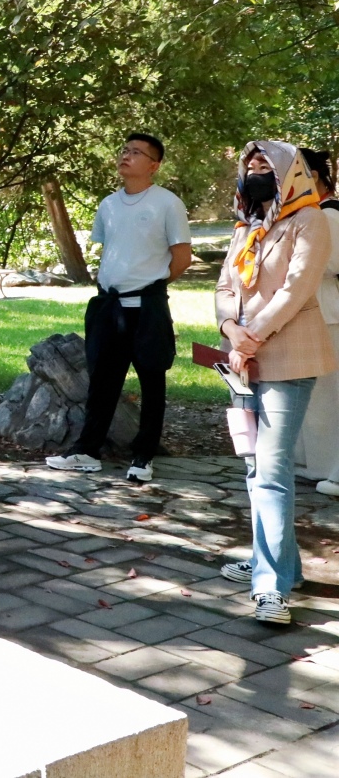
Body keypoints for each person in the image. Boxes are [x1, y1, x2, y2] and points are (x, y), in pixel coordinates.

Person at [215, 141, 334, 624]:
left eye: (266, 164)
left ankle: (271, 588)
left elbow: (298, 287)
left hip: (288, 356)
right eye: (251, 165)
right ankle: (283, 566)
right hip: (243, 360)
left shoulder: (310, 219)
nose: (256, 170)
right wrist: (229, 330)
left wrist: (250, 337)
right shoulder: (246, 227)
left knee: (271, 468)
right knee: (255, 467)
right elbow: (225, 286)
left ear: (291, 174)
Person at [46, 133, 192, 481]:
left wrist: (150, 286)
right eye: (124, 150)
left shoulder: (167, 203)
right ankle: (87, 451)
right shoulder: (108, 205)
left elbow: (182, 258)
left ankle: (143, 457)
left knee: (152, 382)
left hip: (146, 308)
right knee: (103, 381)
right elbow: (112, 251)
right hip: (108, 307)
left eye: (136, 152)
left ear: (153, 165)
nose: (126, 156)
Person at [294, 150, 339, 496]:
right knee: (312, 395)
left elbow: (328, 265)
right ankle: (312, 463)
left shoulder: (330, 216)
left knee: (328, 394)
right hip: (310, 312)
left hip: (329, 312)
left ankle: (328, 466)